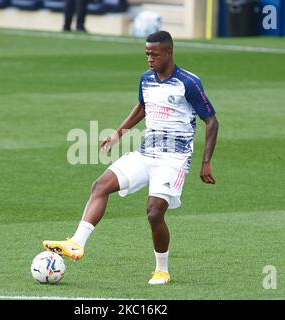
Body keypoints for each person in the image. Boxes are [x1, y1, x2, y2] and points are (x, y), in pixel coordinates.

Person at [43, 30, 219, 285]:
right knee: (100, 185)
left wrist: (205, 162)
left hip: (173, 159)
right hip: (146, 152)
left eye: (155, 54)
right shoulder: (146, 79)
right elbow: (142, 108)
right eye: (147, 53)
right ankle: (76, 243)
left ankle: (162, 270)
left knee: (154, 212)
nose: (149, 58)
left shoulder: (188, 83)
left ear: (169, 52)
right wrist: (117, 135)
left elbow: (212, 122)